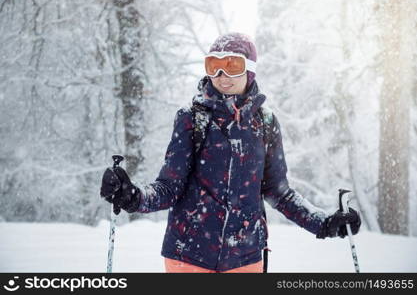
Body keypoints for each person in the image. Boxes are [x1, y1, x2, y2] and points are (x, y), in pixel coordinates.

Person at [100, 32, 361, 273]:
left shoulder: (265, 123)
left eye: (232, 65)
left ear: (250, 70)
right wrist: (133, 196)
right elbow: (169, 187)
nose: (222, 74)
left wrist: (324, 223)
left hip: (245, 257)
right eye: (214, 65)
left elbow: (278, 191)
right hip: (189, 256)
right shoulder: (192, 118)